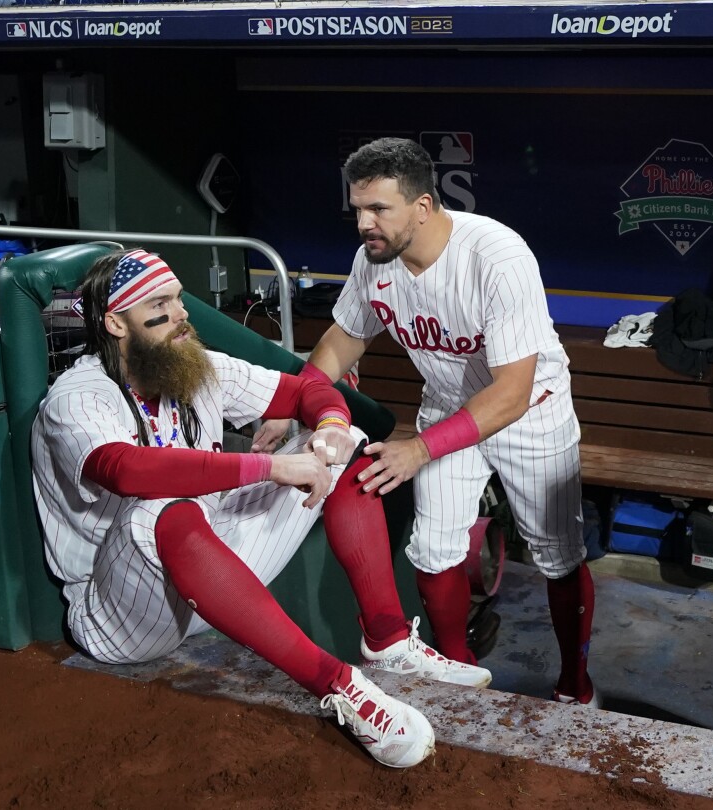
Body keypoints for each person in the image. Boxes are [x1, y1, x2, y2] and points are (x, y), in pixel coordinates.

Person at [32, 249, 493, 770]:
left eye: (179, 299)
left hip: (210, 577)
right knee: (160, 508)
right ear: (116, 322)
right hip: (126, 611)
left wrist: (331, 429)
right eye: (161, 303)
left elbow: (308, 392)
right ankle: (340, 688)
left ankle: (386, 639)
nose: (183, 314)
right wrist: (268, 467)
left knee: (348, 448)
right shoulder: (78, 397)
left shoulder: (195, 368)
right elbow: (128, 471)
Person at [256, 137, 597, 707]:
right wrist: (293, 402)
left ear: (423, 205)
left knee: (557, 554)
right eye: (358, 208)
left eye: (379, 209)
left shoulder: (497, 256)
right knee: (433, 550)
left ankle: (575, 686)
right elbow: (343, 340)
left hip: (530, 413)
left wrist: (418, 450)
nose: (364, 223)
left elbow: (511, 393)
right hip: (445, 406)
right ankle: (457, 678)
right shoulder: (375, 258)